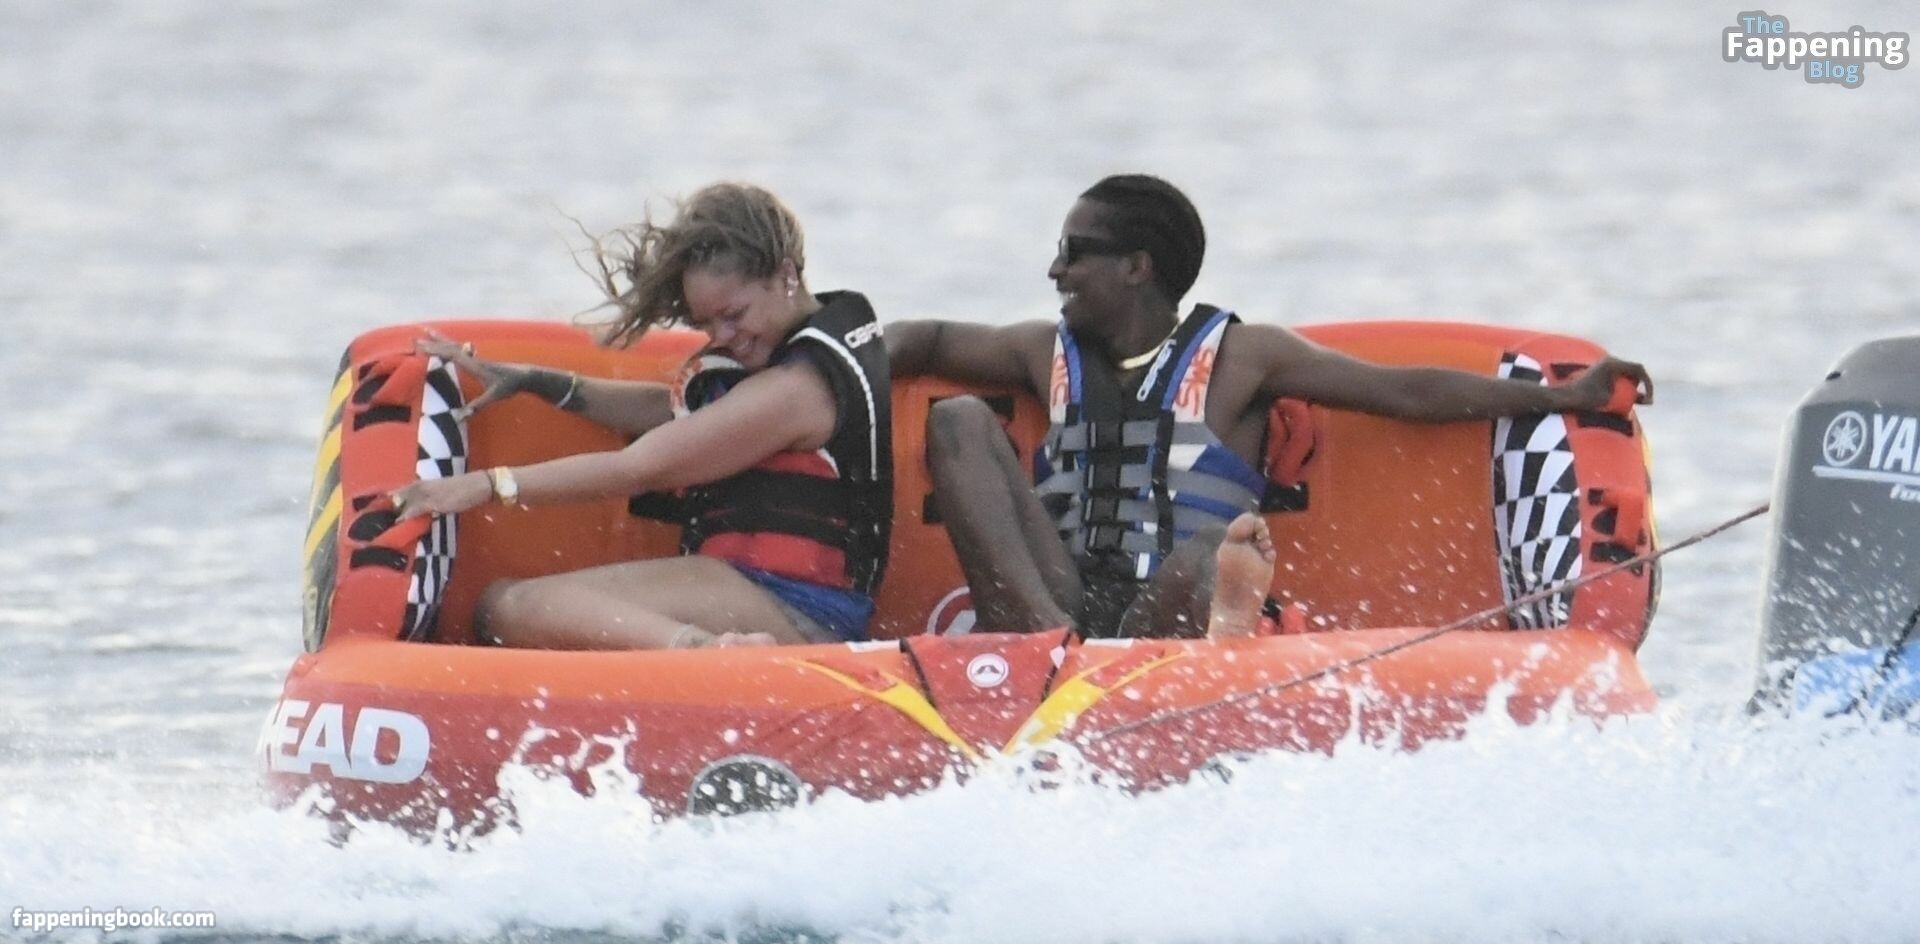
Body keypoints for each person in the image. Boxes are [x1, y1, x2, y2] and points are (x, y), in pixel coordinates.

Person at [886, 173, 1651, 642]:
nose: (1056, 270)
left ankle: (1145, 664)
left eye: (1075, 252)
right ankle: (1047, 659)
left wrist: (1561, 396)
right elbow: (926, 339)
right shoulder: (1039, 351)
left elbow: (1405, 392)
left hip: (1168, 616)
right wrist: (831, 364)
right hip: (1054, 603)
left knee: (1210, 547)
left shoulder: (1244, 357)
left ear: (1136, 267)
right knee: (958, 420)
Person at [391, 182, 892, 650]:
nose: (721, 337)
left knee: (515, 607)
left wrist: (483, 485)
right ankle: (705, 655)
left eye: (733, 315)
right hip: (750, 589)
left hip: (801, 614)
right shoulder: (777, 362)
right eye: (706, 323)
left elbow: (639, 468)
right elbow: (676, 411)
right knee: (497, 605)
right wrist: (544, 383)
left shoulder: (797, 390)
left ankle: (711, 657)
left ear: (786, 275)